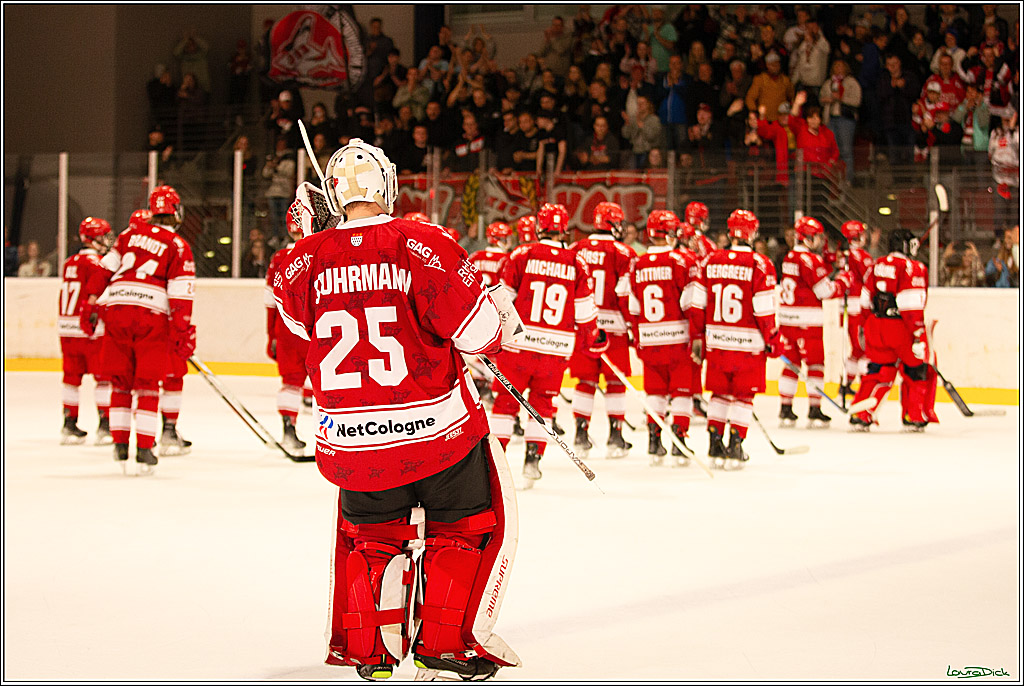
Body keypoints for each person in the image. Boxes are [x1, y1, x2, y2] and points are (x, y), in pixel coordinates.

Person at [272, 140, 521, 681]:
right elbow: (478, 333)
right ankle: (445, 642)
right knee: (461, 529)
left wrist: (313, 240)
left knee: (372, 538)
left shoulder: (301, 259)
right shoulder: (423, 241)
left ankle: (370, 650)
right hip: (438, 434)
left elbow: (298, 324)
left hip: (355, 440)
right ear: (388, 186)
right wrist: (500, 318)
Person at [80, 186, 196, 471]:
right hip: (151, 316)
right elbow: (181, 294)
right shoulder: (178, 245)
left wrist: (91, 302)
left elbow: (103, 270)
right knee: (146, 384)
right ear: (175, 212)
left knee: (120, 381)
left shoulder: (128, 235)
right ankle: (144, 448)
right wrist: (182, 333)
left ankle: (120, 445)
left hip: (117, 310)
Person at [492, 203, 601, 480]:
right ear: (564, 229)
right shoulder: (577, 261)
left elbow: (502, 301)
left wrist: (492, 336)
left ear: (539, 227)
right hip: (556, 349)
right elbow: (585, 310)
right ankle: (533, 459)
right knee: (543, 404)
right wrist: (591, 337)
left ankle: (497, 462)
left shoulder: (522, 254)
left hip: (519, 345)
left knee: (505, 401)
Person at [689, 209, 782, 469]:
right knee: (743, 397)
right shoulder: (760, 263)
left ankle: (714, 443)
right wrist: (772, 337)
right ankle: (736, 444)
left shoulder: (710, 260)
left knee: (719, 394)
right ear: (752, 232)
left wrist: (699, 335)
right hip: (748, 344)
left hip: (717, 341)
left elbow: (697, 304)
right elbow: (764, 309)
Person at [628, 210, 702, 465]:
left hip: (649, 337)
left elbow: (634, 308)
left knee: (655, 391)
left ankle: (653, 439)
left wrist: (638, 337)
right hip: (678, 338)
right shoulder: (682, 260)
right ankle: (679, 441)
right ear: (671, 233)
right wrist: (698, 335)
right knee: (682, 392)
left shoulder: (637, 263)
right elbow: (692, 304)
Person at [568, 201, 636, 458]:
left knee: (585, 381)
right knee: (615, 382)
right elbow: (624, 295)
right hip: (614, 328)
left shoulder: (576, 249)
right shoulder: (624, 252)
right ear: (612, 224)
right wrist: (631, 326)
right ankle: (616, 437)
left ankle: (581, 434)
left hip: (584, 327)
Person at [850, 229, 932, 431]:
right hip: (900, 328)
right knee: (916, 370)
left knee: (878, 371)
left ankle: (861, 413)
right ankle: (914, 415)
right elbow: (910, 306)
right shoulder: (912, 267)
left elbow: (865, 299)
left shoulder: (876, 264)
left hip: (876, 326)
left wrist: (864, 326)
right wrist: (918, 334)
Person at [776, 216, 852, 427]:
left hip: (787, 320)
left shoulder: (789, 256)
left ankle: (785, 408)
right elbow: (824, 291)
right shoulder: (810, 260)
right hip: (807, 323)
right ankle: (815, 409)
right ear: (808, 237)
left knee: (791, 365)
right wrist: (843, 282)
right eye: (817, 236)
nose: (820, 240)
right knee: (816, 364)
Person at [58, 217, 115, 445]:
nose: (107, 241)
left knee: (71, 378)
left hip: (67, 328)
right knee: (103, 378)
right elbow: (98, 298)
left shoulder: (69, 262)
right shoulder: (97, 264)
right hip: (90, 329)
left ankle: (69, 424)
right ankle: (105, 425)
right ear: (92, 239)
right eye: (103, 236)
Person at [264, 200, 311, 452]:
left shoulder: (279, 257)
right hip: (313, 329)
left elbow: (269, 300)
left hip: (286, 329)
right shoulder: (319, 250)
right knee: (323, 379)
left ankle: (288, 430)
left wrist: (271, 333)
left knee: (290, 382)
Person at [832, 221, 874, 400]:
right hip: (858, 308)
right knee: (864, 348)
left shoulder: (843, 254)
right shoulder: (860, 255)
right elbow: (870, 279)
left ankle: (846, 384)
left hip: (848, 307)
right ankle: (865, 384)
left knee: (857, 350)